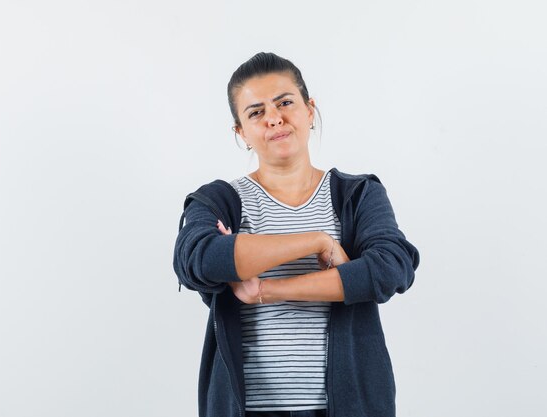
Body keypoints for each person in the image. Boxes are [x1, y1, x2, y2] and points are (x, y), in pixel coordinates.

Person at [173, 52, 420, 417]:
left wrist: (268, 290)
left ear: (309, 110)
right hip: (246, 409)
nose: (274, 118)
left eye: (285, 102)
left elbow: (390, 268)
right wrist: (317, 241)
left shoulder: (357, 195)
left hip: (346, 407)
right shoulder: (221, 200)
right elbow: (195, 259)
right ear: (241, 132)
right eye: (256, 112)